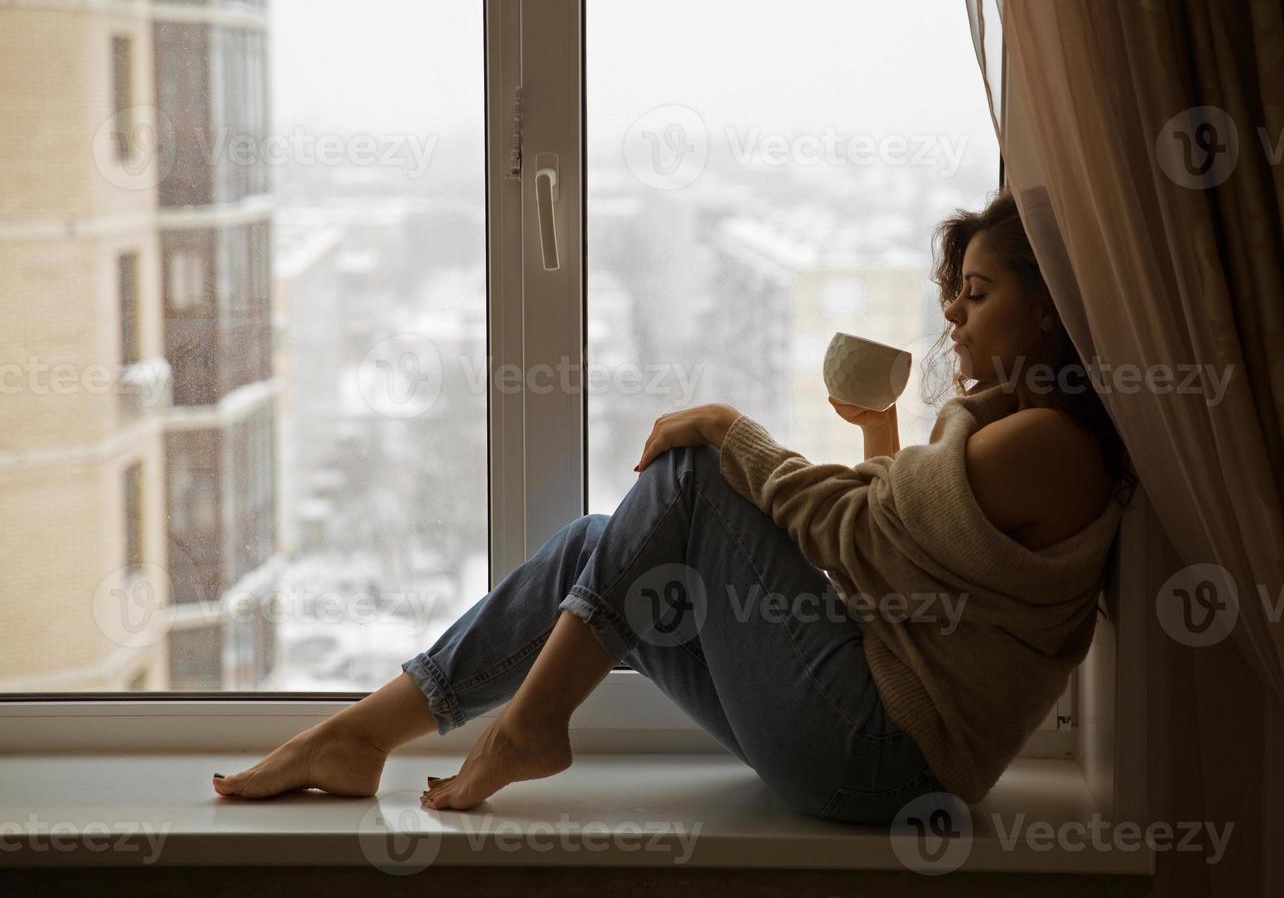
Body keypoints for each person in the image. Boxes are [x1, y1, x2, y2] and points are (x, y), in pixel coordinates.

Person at [212, 186, 1133, 825]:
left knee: (691, 475)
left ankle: (530, 727)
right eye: (955, 298)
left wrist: (735, 432)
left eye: (977, 295)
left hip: (885, 760)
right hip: (865, 740)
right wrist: (879, 437)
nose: (956, 321)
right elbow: (889, 556)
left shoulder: (1049, 445)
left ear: (1050, 310)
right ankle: (356, 736)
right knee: (594, 545)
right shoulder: (1011, 433)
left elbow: (858, 537)